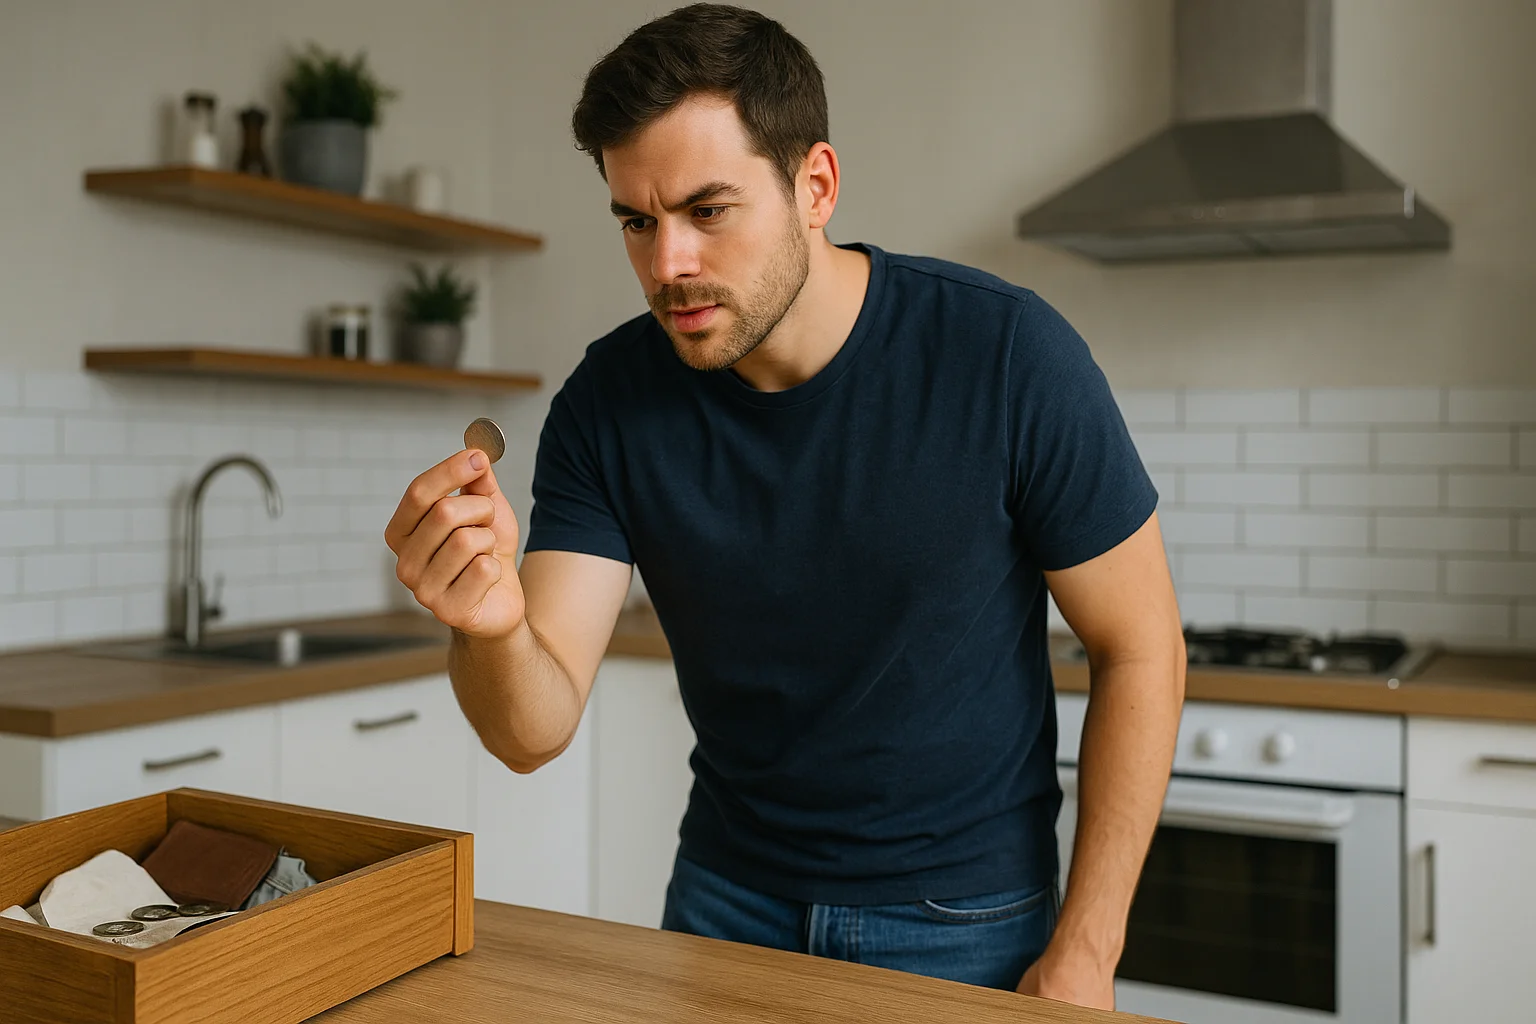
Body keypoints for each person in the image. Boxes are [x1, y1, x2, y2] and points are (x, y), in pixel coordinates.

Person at [385, 3, 1184, 1009]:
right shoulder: (610, 401)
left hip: (965, 919)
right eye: (637, 220)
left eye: (707, 211)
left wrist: (1089, 947)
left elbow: (1143, 647)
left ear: (816, 186)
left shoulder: (1007, 356)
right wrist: (490, 624)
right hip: (726, 903)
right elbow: (528, 730)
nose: (665, 263)